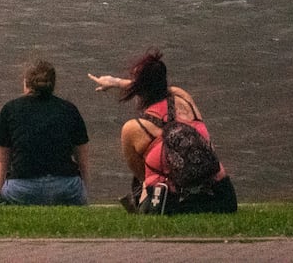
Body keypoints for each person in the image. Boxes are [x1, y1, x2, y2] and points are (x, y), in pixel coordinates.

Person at [89, 48, 237, 215]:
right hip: (223, 199)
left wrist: (116, 82)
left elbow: (142, 176)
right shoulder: (182, 97)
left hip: (173, 205)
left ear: (138, 89)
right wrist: (116, 82)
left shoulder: (134, 128)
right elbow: (153, 85)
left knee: (144, 177)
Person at [0, 58, 90, 205]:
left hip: (22, 191)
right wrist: (84, 192)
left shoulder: (10, 109)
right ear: (53, 84)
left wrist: (1, 193)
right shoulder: (69, 109)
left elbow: (2, 161)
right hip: (66, 189)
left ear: (26, 82)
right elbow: (82, 160)